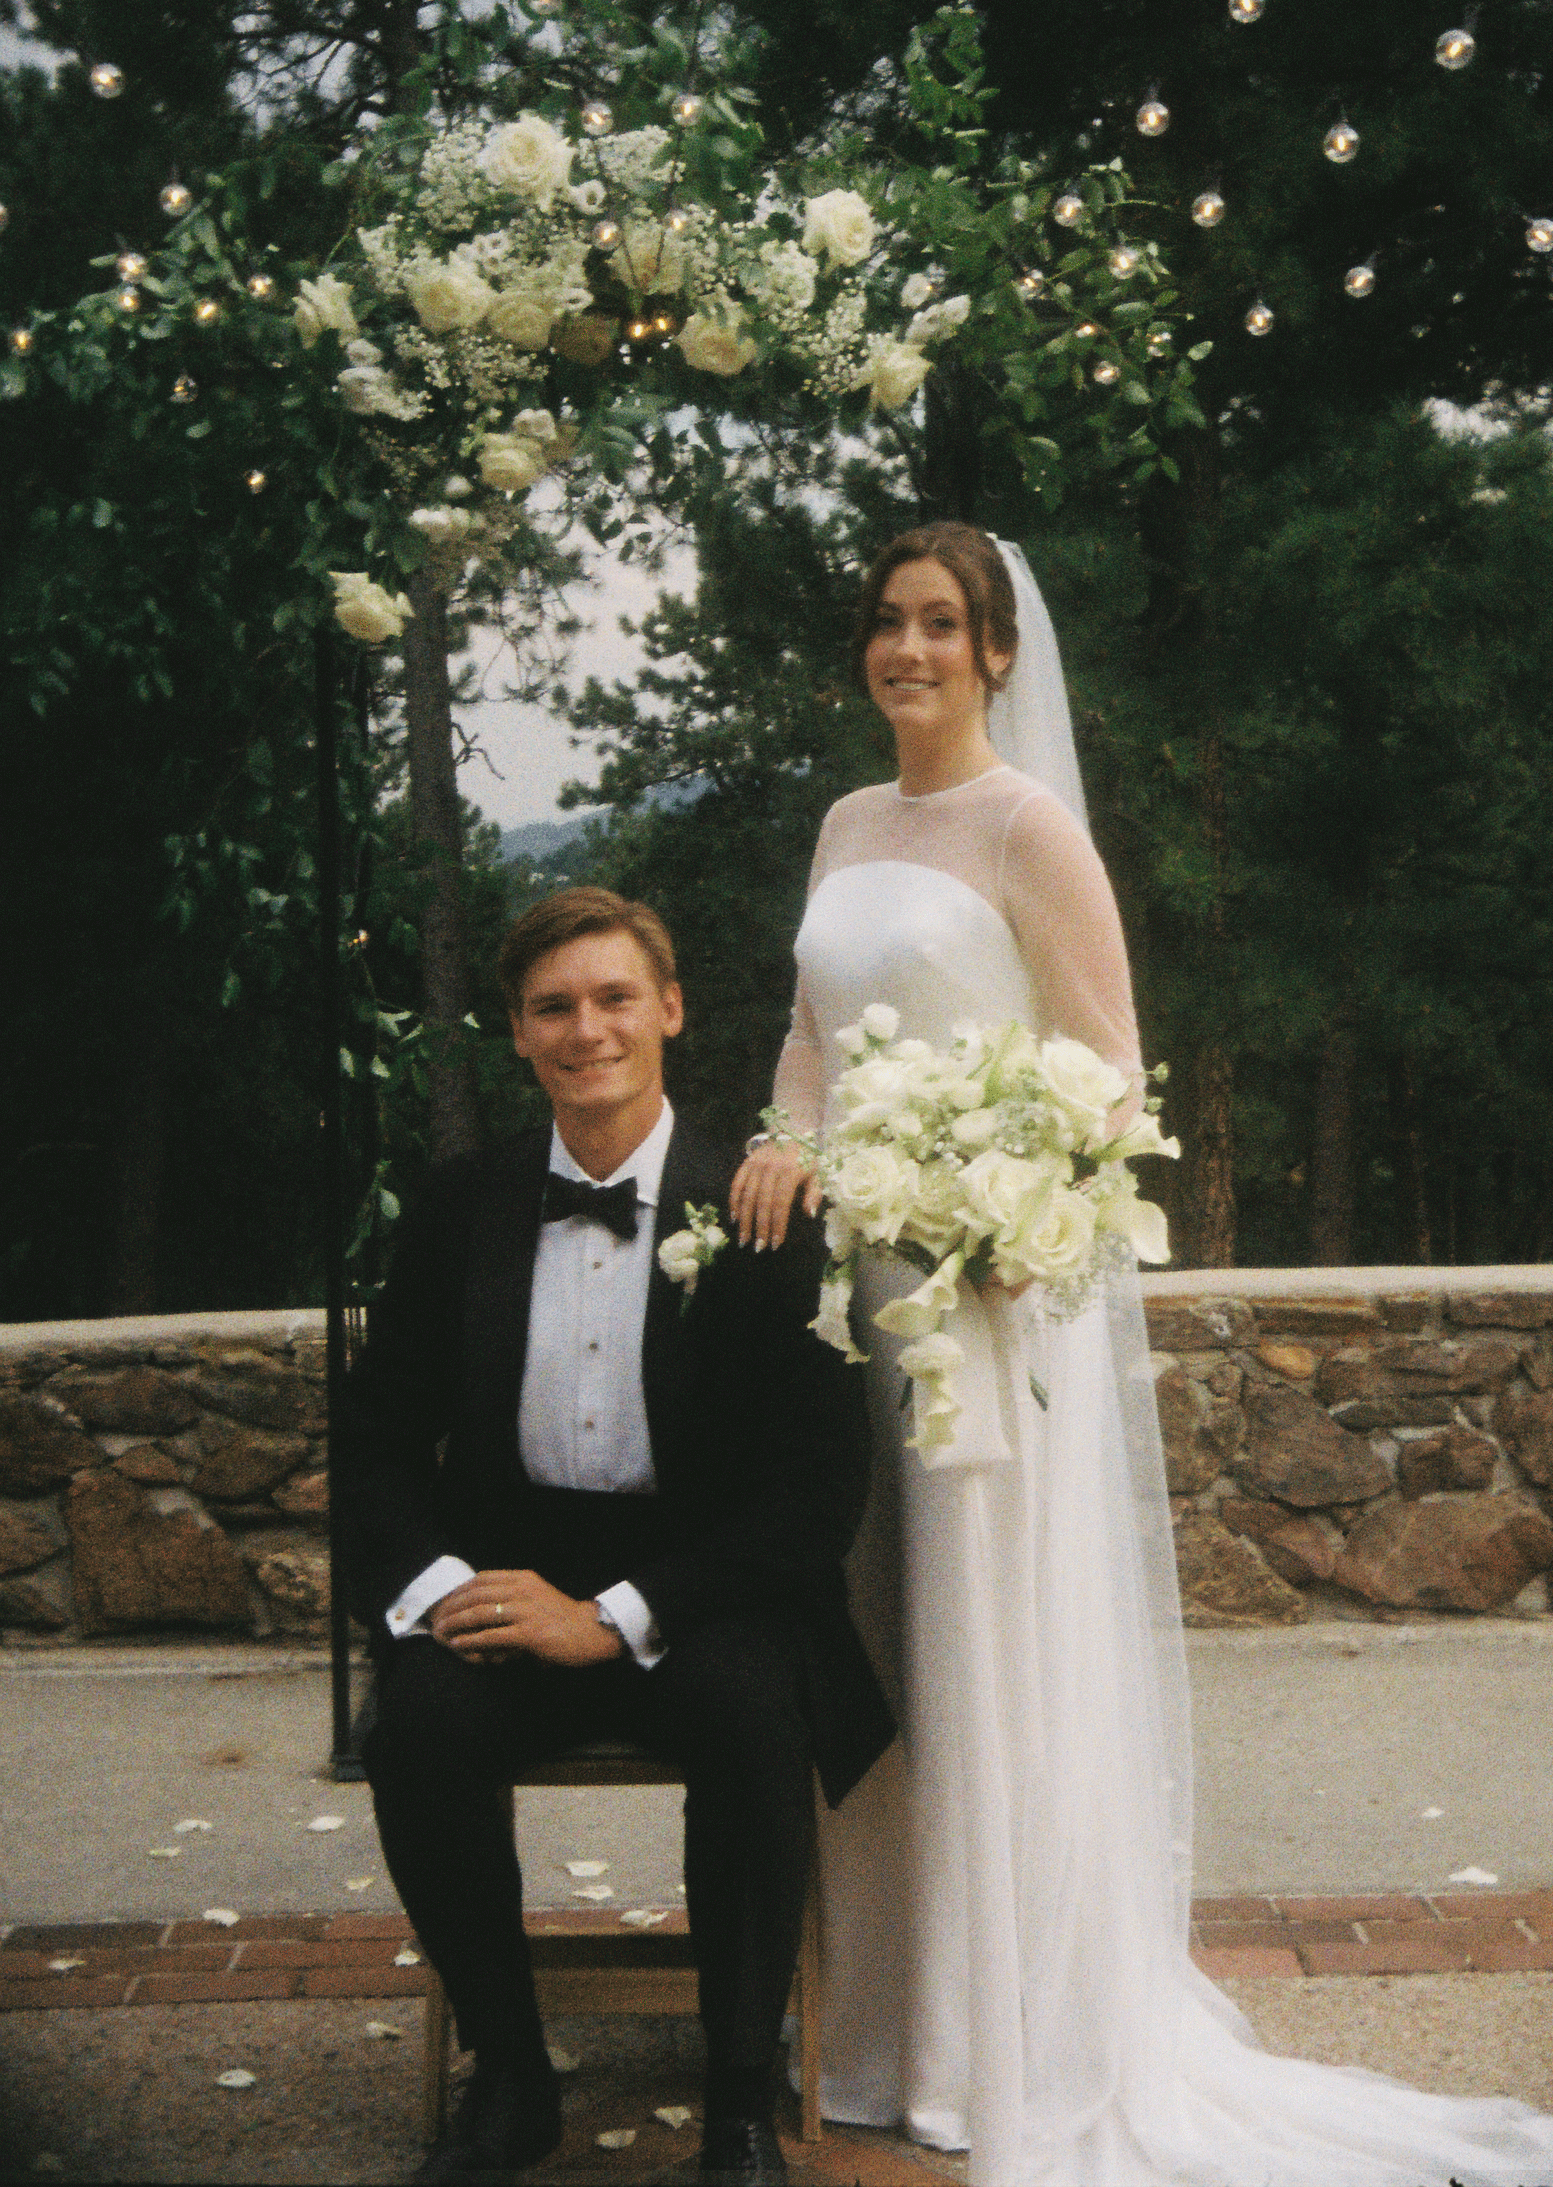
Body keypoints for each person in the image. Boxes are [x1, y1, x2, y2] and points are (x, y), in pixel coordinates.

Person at [730, 521, 1553, 2187]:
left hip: (974, 1295)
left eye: (942, 624)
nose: (910, 650)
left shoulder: (1027, 826)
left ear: (997, 653)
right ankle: (880, 2016)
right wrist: (782, 1142)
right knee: (868, 1646)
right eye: (888, 622)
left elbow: (1108, 1072)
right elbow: (812, 1034)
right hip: (845, 1312)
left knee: (973, 1660)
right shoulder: (842, 821)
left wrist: (982, 1191)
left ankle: (1004, 2033)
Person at [336, 885, 893, 2185]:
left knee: (759, 1724)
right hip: (506, 1581)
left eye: (614, 997)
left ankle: (740, 2102)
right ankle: (513, 2085)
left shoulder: (761, 1206)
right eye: (554, 1008)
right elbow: (372, 1441)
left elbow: (815, 1488)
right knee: (416, 1729)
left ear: (672, 1010)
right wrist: (440, 1591)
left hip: (699, 1591)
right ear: (519, 1036)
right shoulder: (459, 1205)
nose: (587, 1028)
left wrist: (616, 1614)